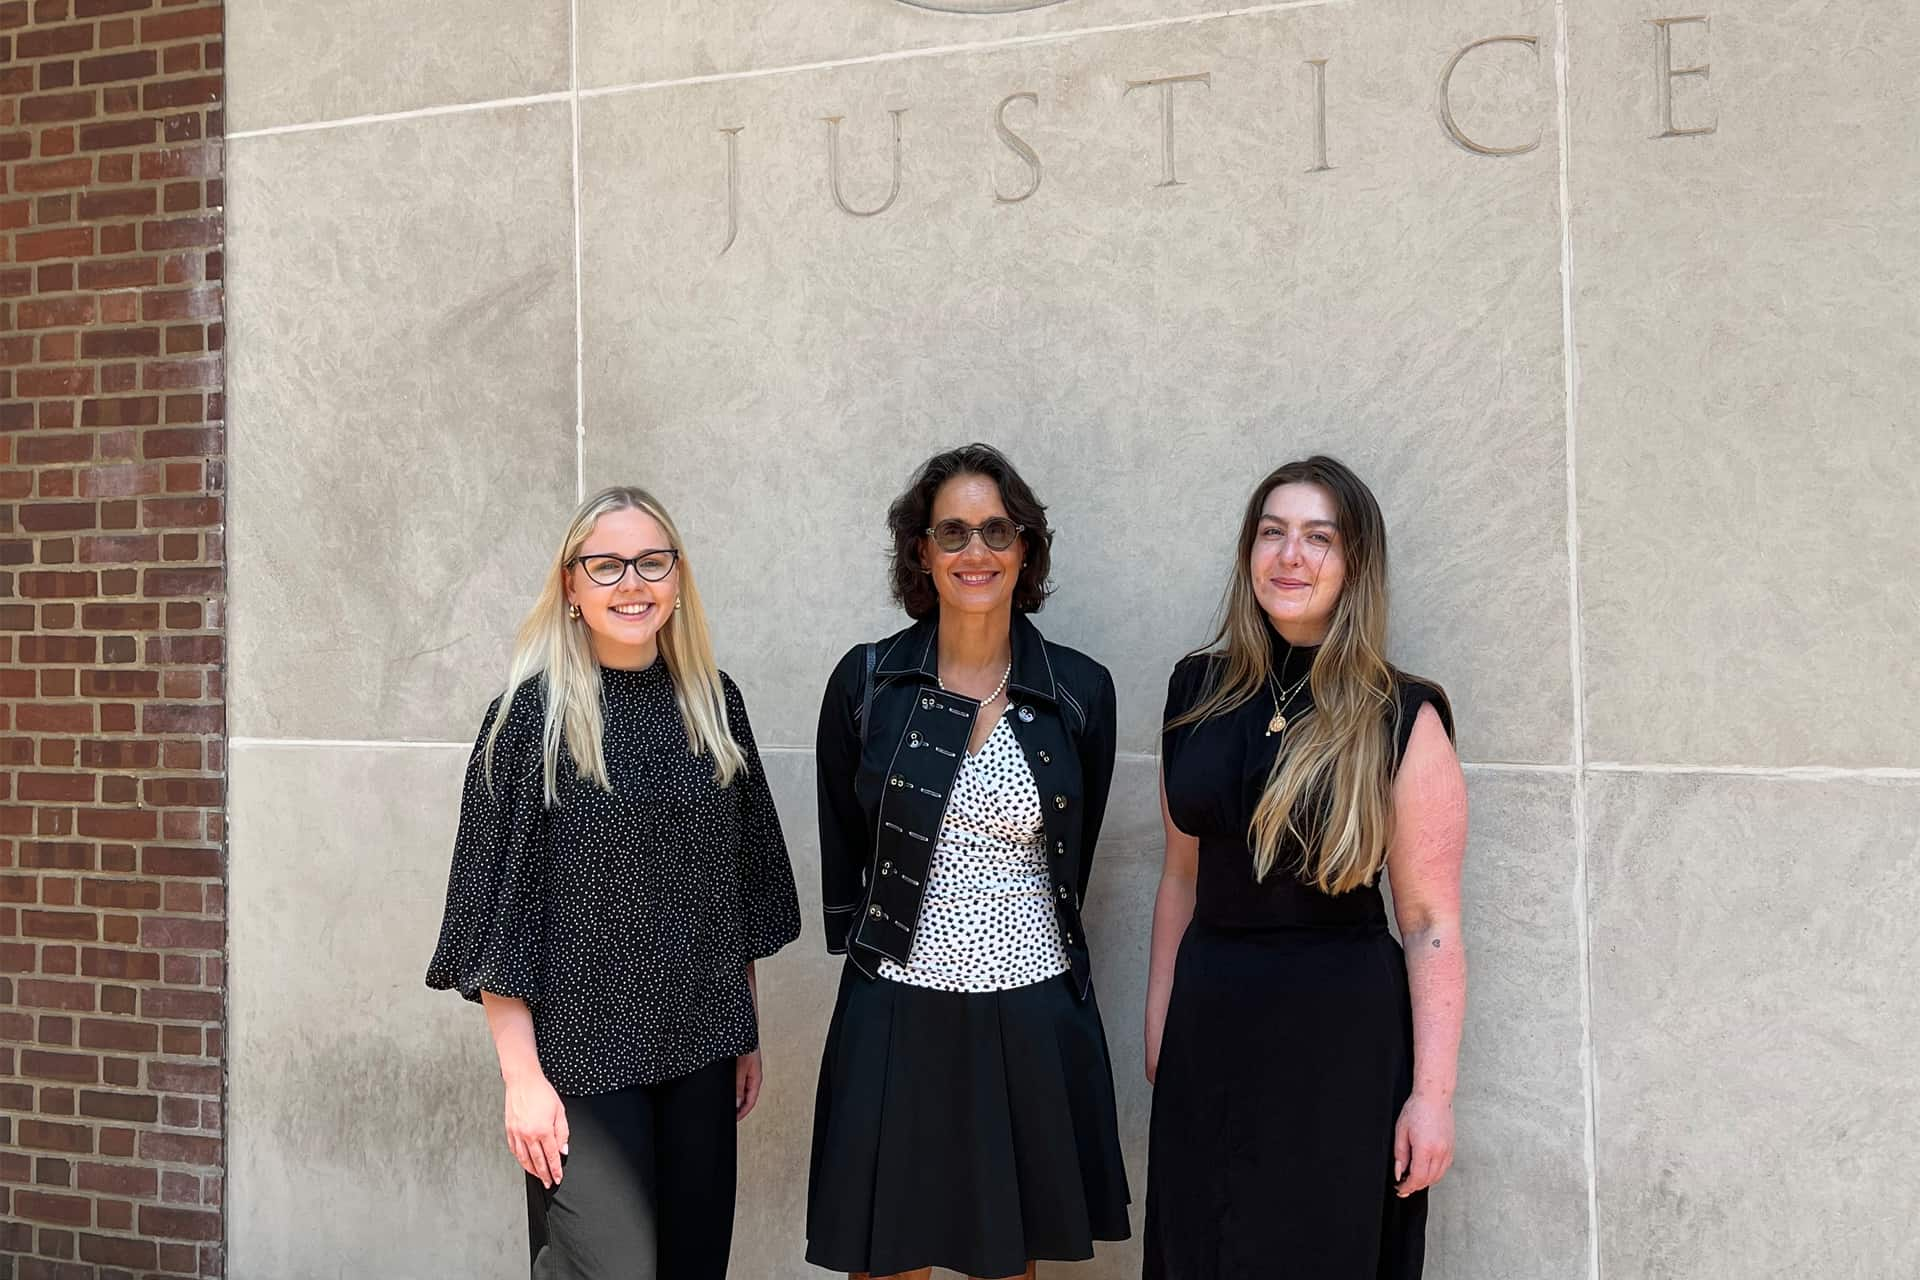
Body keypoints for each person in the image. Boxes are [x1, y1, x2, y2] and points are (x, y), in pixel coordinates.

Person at [425, 485, 801, 1279]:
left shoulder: (714, 704)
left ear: (677, 578)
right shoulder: (529, 721)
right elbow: (498, 917)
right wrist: (521, 1081)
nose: (632, 584)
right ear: (571, 586)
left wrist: (747, 1030)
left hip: (702, 1051)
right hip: (579, 1069)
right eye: (606, 565)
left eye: (650, 562)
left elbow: (737, 888)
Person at [806, 444, 1132, 1280]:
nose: (975, 552)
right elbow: (847, 837)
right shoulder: (868, 682)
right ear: (921, 551)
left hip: (1028, 1007)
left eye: (997, 531)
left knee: (1005, 1259)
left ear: (1027, 549)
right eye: (952, 532)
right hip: (896, 1003)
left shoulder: (1080, 691)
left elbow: (1076, 852)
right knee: (882, 1257)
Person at [1142, 455, 1469, 1279]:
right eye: (1273, 533)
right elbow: (1180, 875)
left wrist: (1432, 1098)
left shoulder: (1403, 714)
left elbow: (1431, 924)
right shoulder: (1196, 690)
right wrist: (1161, 1020)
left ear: (1355, 563)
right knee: (1200, 1248)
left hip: (1340, 1040)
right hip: (1211, 1020)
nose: (1290, 556)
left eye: (1318, 538)